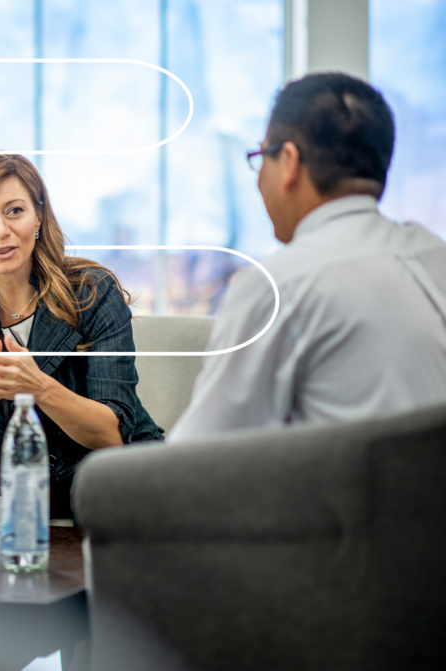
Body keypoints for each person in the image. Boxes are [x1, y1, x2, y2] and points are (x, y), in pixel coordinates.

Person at [169, 73, 446, 441]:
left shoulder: (278, 287)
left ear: (288, 161)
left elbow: (194, 462)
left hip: (345, 497)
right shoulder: (433, 255)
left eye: (260, 156)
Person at [0, 154, 164, 520]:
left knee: (106, 483)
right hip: (19, 461)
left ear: (38, 216)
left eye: (14, 211)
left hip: (104, 465)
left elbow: (112, 432)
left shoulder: (91, 290)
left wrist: (35, 385)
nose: (0, 231)